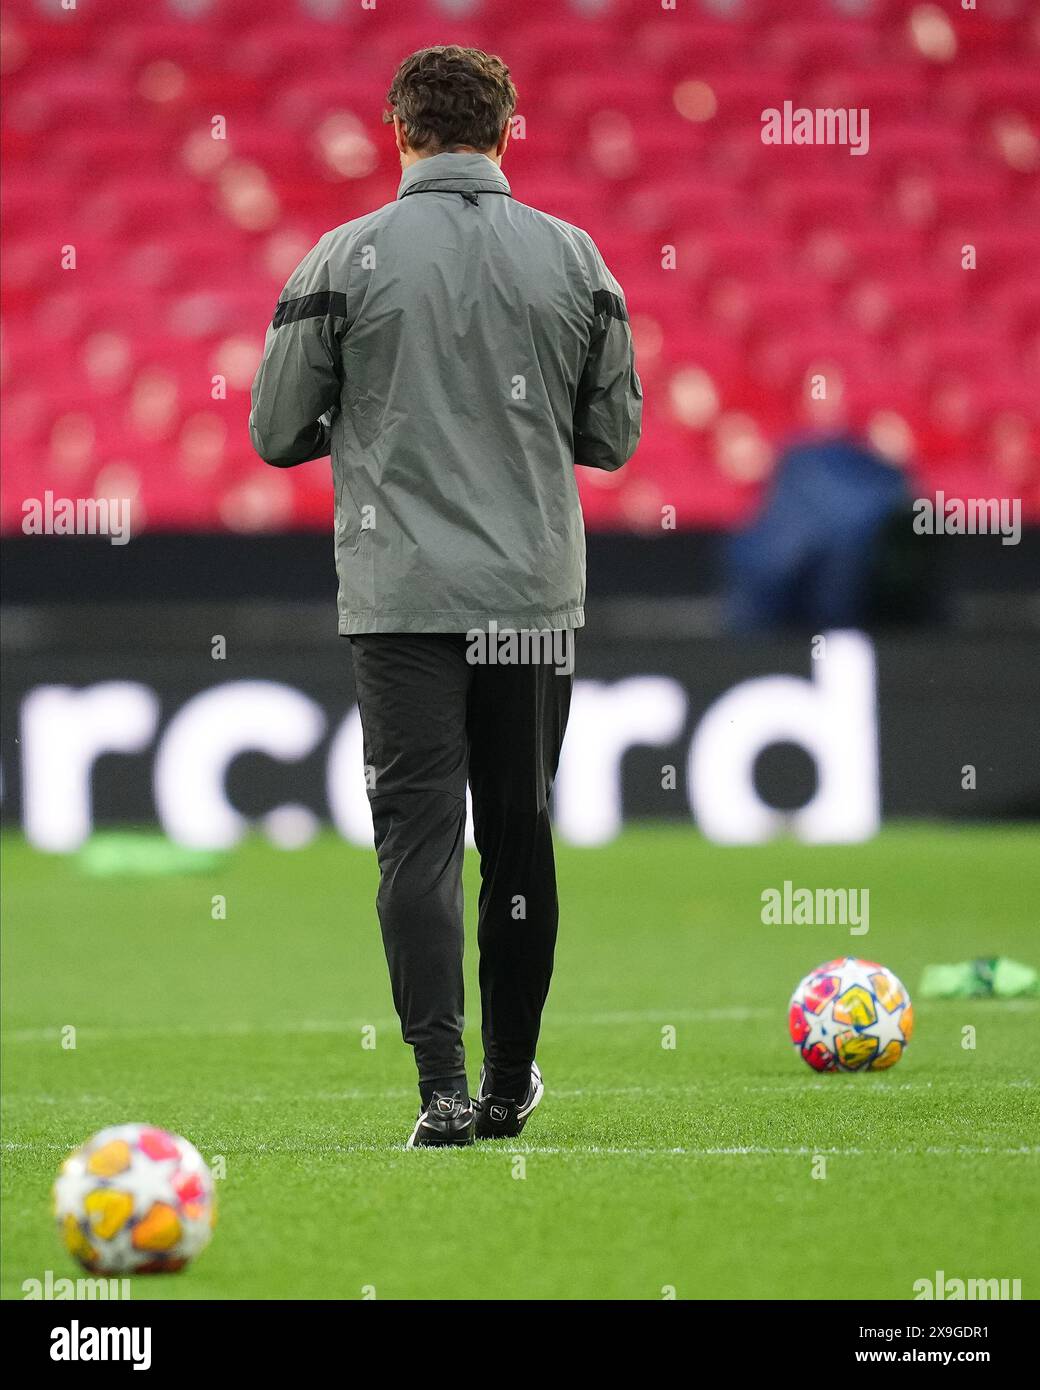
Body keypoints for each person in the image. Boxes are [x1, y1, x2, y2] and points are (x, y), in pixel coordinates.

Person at [250, 45, 641, 1146]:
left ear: (396, 129)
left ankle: (440, 1091)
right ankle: (512, 1082)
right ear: (509, 129)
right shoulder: (575, 260)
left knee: (416, 844)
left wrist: (380, 422)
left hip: (401, 599)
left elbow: (277, 432)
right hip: (525, 600)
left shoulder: (341, 258)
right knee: (517, 840)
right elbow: (610, 438)